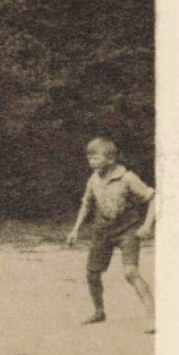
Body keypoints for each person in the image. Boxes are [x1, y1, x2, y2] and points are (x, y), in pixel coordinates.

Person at [66, 137, 156, 329]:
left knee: (131, 273)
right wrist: (75, 230)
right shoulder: (94, 179)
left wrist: (147, 225)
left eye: (95, 158)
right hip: (102, 231)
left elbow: (152, 197)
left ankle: (154, 317)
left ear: (111, 159)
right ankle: (99, 312)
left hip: (127, 230)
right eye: (89, 158)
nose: (91, 162)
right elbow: (86, 204)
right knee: (92, 274)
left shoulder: (128, 178)